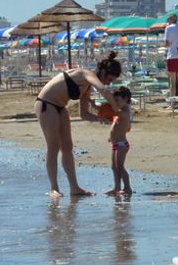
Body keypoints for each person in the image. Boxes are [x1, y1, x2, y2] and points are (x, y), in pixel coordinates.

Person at [35, 53, 123, 199]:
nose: (108, 83)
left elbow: (84, 114)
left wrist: (102, 119)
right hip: (46, 103)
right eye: (108, 79)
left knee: (67, 147)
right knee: (54, 145)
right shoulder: (85, 74)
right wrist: (116, 109)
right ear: (102, 72)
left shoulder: (87, 88)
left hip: (60, 107)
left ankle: (74, 187)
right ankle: (54, 189)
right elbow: (104, 91)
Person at [104, 86, 134, 196]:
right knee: (114, 167)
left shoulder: (124, 112)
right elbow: (117, 126)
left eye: (117, 100)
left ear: (125, 99)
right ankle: (117, 188)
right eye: (114, 101)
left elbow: (110, 112)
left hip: (122, 144)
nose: (115, 103)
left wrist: (95, 106)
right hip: (115, 143)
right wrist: (111, 137)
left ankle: (127, 188)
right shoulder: (120, 112)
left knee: (120, 167)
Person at [162, 14, 178, 108]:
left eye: (168, 19)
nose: (167, 21)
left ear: (171, 19)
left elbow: (167, 44)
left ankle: (172, 104)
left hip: (173, 56)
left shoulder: (169, 28)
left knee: (173, 82)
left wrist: (163, 45)